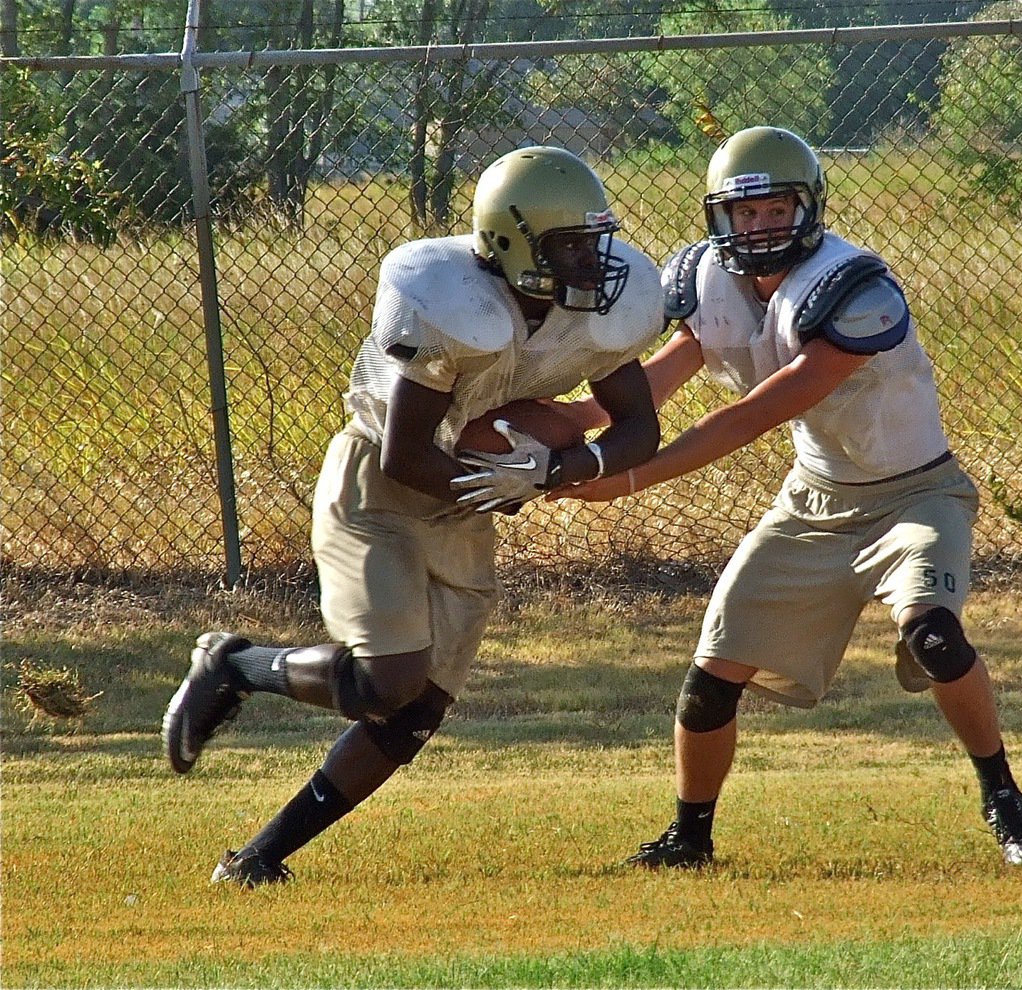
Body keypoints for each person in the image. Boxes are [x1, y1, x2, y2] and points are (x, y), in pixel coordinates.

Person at [553, 126, 1022, 869]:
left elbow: (754, 414)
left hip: (916, 494)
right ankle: (690, 835)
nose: (758, 228)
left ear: (808, 209)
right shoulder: (711, 284)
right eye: (743, 214)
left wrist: (624, 479)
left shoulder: (853, 287)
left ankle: (1005, 801)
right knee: (710, 677)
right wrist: (551, 434)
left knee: (936, 636)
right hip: (815, 501)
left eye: (774, 211)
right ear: (719, 218)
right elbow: (644, 391)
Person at [162, 146, 663, 887]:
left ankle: (259, 859)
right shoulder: (449, 303)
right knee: (387, 681)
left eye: (596, 241)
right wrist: (509, 484)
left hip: (465, 499)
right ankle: (233, 665)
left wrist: (559, 469)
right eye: (572, 246)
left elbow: (638, 429)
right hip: (382, 489)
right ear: (513, 241)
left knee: (415, 713)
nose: (593, 261)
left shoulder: (596, 310)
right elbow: (406, 455)